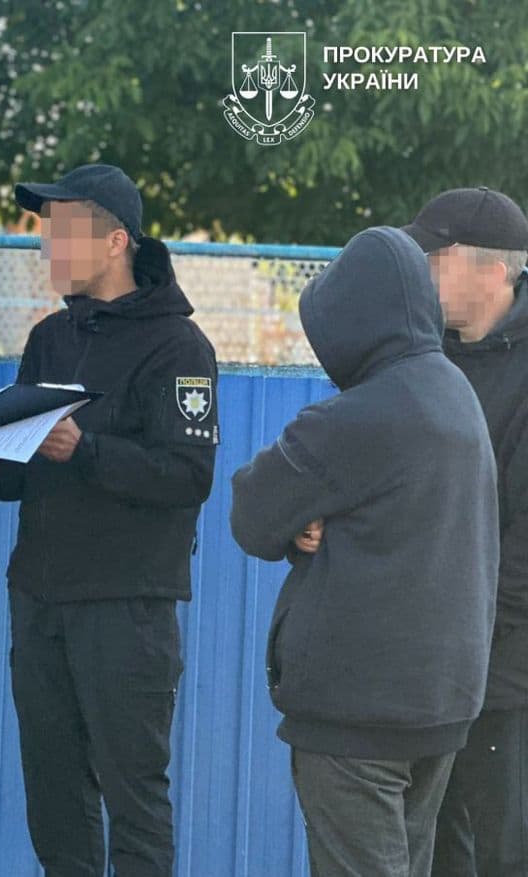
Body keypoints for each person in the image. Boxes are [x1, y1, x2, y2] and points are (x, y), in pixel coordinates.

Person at [0, 163, 218, 877]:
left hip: (127, 606)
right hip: (40, 599)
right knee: (54, 795)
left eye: (63, 230)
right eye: (45, 230)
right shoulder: (51, 338)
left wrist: (87, 449)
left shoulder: (179, 347)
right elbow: (26, 464)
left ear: (115, 242)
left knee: (134, 795)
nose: (47, 246)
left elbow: (187, 476)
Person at [229, 226, 500, 877]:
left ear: (354, 319)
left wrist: (298, 521)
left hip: (357, 713)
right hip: (440, 703)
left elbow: (251, 514)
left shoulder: (351, 420)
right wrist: (313, 522)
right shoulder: (456, 393)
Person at [404, 188, 528, 877]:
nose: (424, 272)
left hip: (503, 662)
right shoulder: (424, 357)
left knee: (502, 848)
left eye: (437, 258)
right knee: (435, 847)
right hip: (425, 658)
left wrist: (477, 626)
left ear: (493, 270)